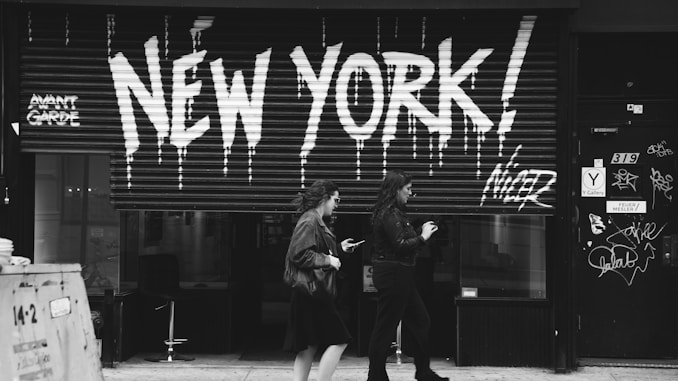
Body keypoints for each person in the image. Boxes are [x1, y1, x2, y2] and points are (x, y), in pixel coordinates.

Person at [367, 170, 448, 381]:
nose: (410, 193)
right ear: (396, 190)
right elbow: (401, 245)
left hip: (401, 274)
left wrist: (422, 231)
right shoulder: (389, 213)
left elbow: (403, 240)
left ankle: (423, 371)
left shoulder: (394, 212)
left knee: (421, 321)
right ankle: (376, 376)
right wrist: (423, 237)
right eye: (408, 189)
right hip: (393, 274)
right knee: (385, 327)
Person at [283, 179, 362, 381]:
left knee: (308, 346)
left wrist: (339, 249)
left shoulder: (314, 220)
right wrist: (328, 259)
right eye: (336, 200)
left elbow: (314, 250)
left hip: (308, 292)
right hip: (313, 293)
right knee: (340, 340)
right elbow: (298, 254)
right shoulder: (310, 220)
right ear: (324, 199)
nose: (337, 204)